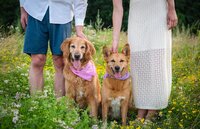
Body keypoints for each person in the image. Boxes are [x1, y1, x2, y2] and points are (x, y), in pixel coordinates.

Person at [112, 0, 178, 121]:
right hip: (136, 18)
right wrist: (115, 39)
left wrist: (171, 8)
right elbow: (117, 8)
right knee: (138, 63)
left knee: (156, 61)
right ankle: (142, 108)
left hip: (158, 12)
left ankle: (153, 110)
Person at [19, 0, 88, 98]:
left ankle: (59, 105)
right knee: (37, 59)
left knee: (60, 60)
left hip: (62, 14)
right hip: (35, 10)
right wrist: (23, 9)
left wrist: (79, 29)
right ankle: (36, 103)